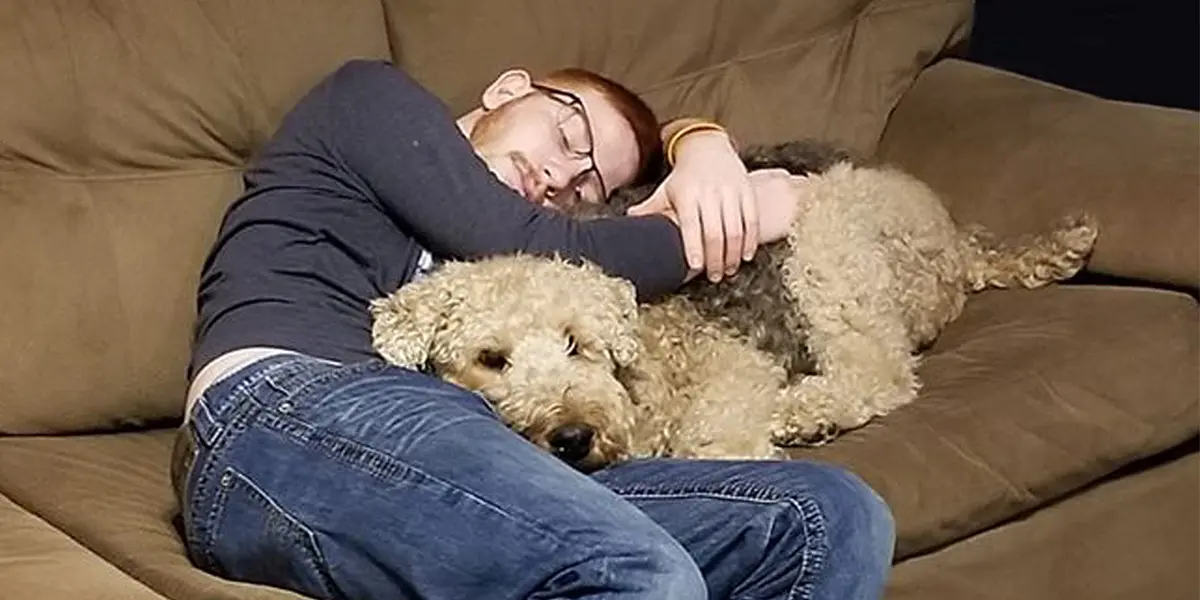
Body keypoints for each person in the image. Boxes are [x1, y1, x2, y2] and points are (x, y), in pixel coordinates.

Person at [171, 58, 895, 600]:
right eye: (567, 130)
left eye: (587, 185)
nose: (559, 174)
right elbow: (528, 237)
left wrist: (702, 144)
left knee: (828, 515)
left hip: (450, 448)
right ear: (508, 88)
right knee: (641, 575)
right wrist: (745, 215)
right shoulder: (368, 98)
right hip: (280, 412)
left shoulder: (507, 284)